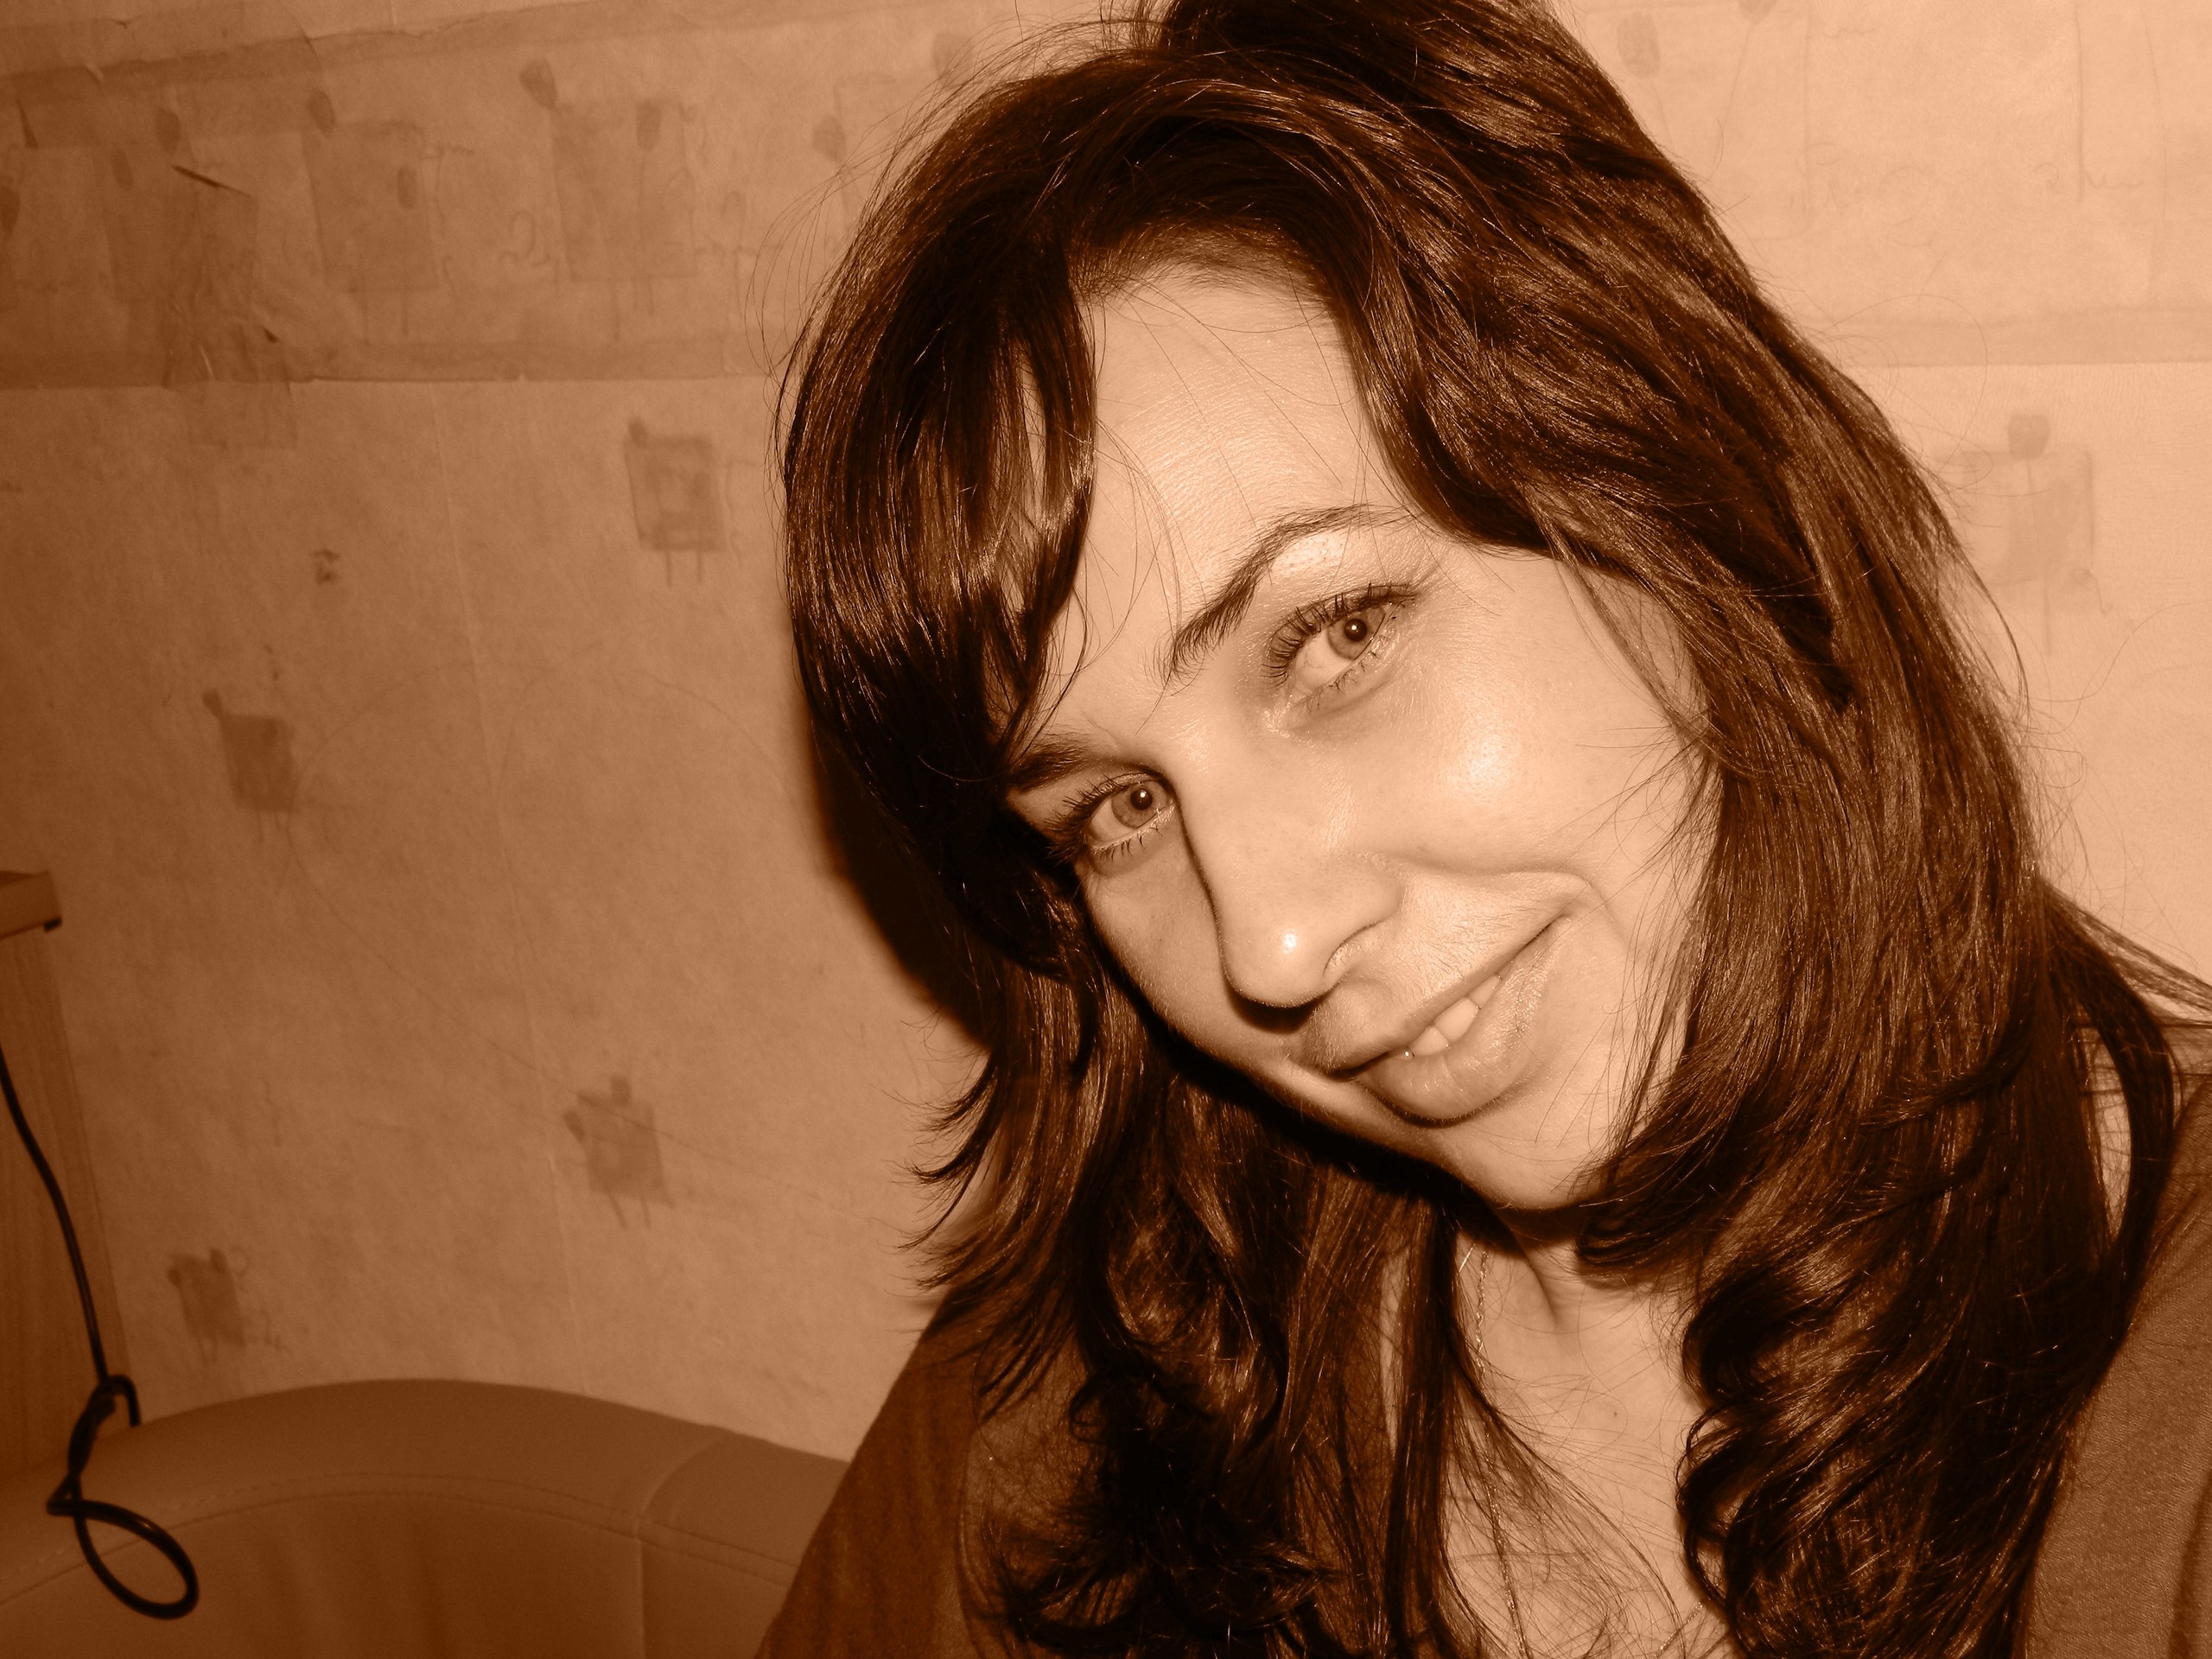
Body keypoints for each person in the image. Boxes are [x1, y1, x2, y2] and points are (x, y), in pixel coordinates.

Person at [764, 1, 2211, 1653]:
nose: (1270, 945)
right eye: (1119, 807)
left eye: (1339, 636)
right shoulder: (1079, 1388)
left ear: (1682, 490)